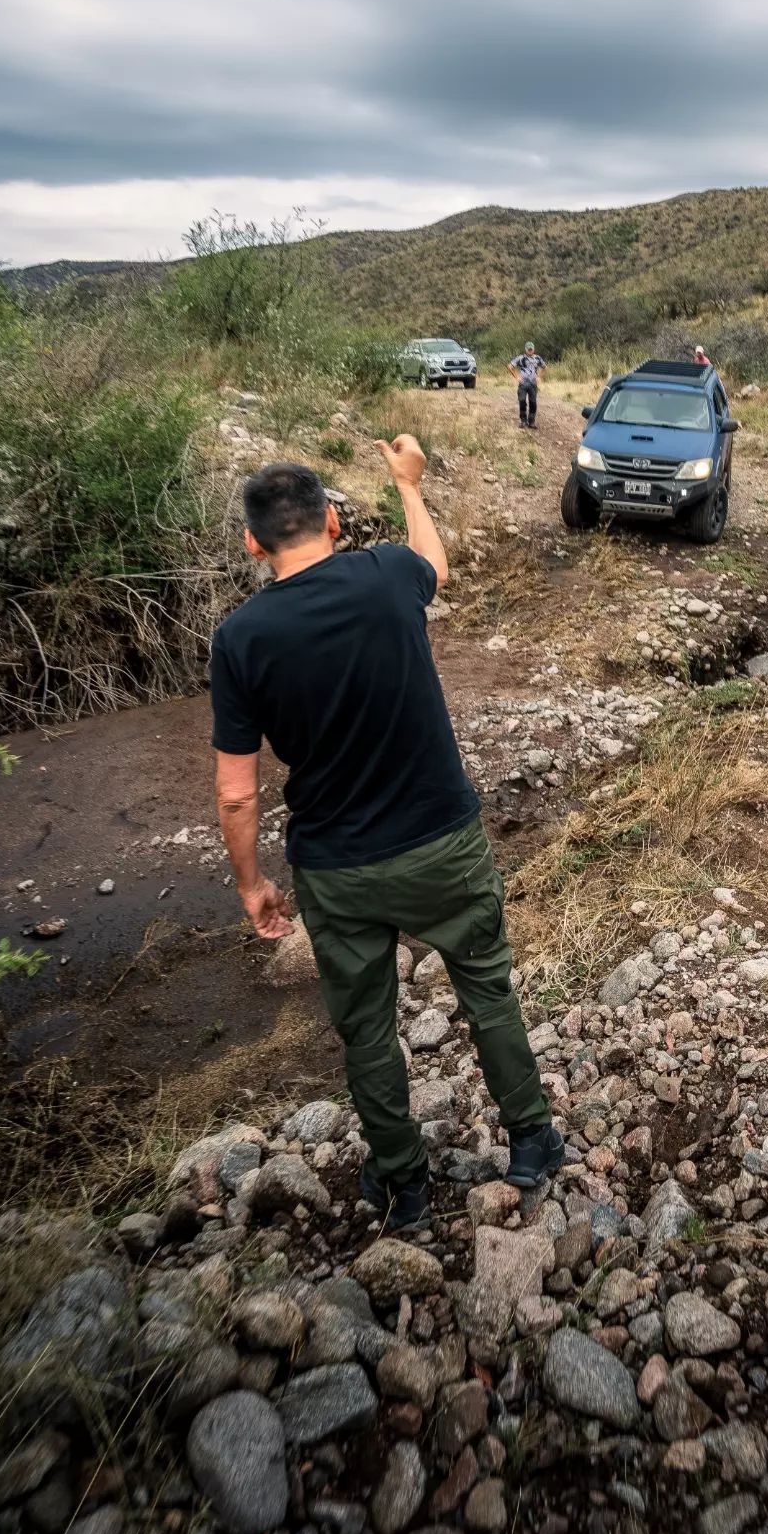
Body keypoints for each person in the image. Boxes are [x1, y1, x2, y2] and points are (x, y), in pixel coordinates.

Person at [208, 442, 564, 1231]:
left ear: (253, 544)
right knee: (486, 991)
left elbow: (238, 793)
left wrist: (250, 883)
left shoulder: (239, 641)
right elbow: (433, 561)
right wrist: (408, 486)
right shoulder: (384, 575)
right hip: (442, 838)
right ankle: (533, 1141)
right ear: (333, 521)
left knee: (366, 1028)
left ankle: (402, 1184)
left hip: (337, 866)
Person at [506, 341, 546, 428]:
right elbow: (510, 366)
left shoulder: (538, 358)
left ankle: (531, 422)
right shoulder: (521, 358)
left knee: (533, 402)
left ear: (534, 349)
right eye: (528, 349)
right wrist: (516, 377)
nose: (530, 351)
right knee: (522, 401)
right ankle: (523, 421)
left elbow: (545, 367)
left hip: (533, 384)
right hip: (523, 383)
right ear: (525, 349)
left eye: (531, 349)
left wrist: (539, 377)